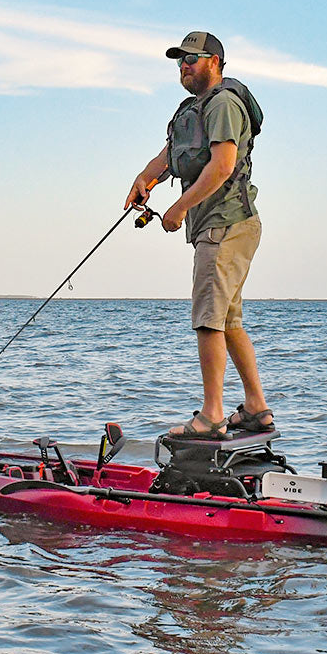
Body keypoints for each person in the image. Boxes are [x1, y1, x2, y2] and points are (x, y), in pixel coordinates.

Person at [124, 31, 274, 439]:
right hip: (223, 225)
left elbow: (222, 166)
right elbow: (170, 155)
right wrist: (145, 177)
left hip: (226, 223)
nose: (183, 66)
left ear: (215, 62)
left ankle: (211, 417)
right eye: (179, 61)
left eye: (192, 59)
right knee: (227, 319)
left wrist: (178, 207)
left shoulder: (224, 103)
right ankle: (257, 408)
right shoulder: (194, 107)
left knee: (208, 319)